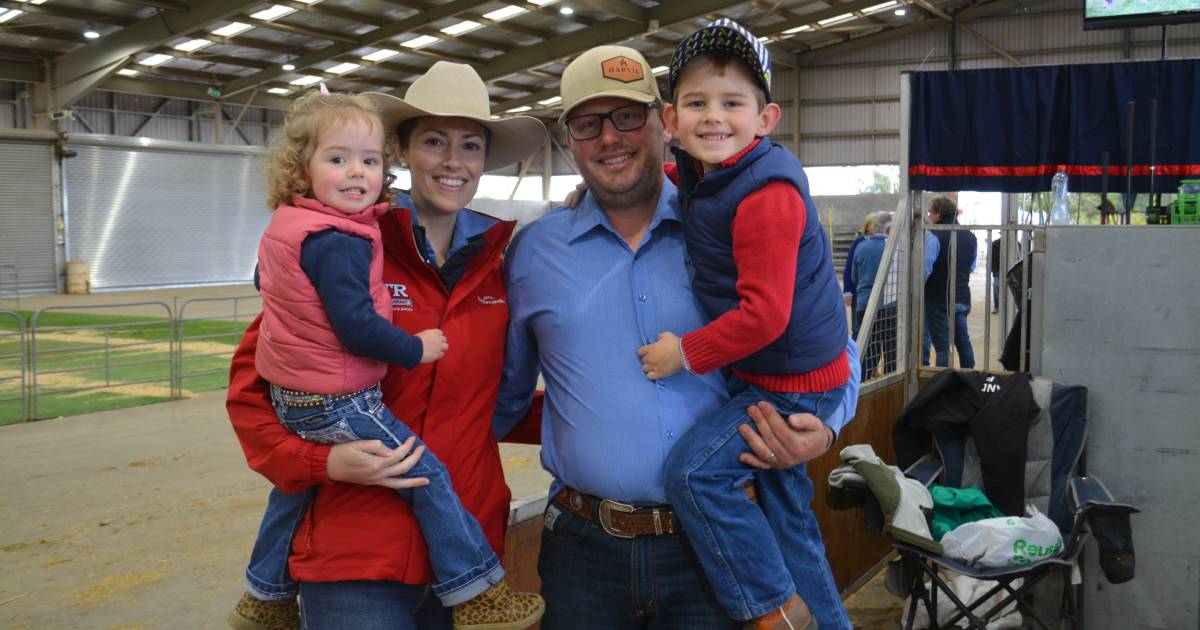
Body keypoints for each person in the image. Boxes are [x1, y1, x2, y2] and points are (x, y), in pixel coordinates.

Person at [494, 42, 860, 630]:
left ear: (660, 123)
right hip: (584, 550)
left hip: (713, 547)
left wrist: (824, 430)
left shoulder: (734, 217)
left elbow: (835, 345)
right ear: (569, 140)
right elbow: (506, 393)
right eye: (589, 124)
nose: (610, 137)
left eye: (627, 116)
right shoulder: (535, 251)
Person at [225, 61, 546, 630]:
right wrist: (320, 460)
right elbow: (258, 394)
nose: (453, 161)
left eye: (470, 145)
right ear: (400, 152)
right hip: (354, 552)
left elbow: (500, 400)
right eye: (433, 141)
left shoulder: (502, 268)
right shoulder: (341, 251)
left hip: (466, 546)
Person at [631, 18, 853, 629]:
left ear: (765, 119)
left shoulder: (766, 196)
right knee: (789, 519)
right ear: (671, 120)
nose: (714, 117)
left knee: (695, 475)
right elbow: (687, 181)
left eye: (733, 103)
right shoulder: (708, 175)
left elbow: (765, 314)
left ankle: (770, 610)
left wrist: (687, 353)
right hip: (784, 376)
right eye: (697, 103)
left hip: (792, 383)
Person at [922, 196, 977, 368]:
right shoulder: (971, 237)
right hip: (961, 297)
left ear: (938, 214)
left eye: (931, 212)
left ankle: (941, 384)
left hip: (938, 300)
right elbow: (971, 267)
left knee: (942, 347)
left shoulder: (934, 237)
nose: (929, 216)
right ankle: (970, 379)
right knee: (963, 342)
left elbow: (925, 269)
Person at [851, 212, 897, 378]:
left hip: (864, 305)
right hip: (888, 305)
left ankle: (861, 387)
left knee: (869, 348)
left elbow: (854, 277)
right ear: (887, 228)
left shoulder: (860, 246)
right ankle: (892, 384)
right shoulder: (893, 247)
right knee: (891, 349)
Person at [843, 213, 876, 335]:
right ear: (867, 227)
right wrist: (847, 291)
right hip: (858, 292)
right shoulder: (859, 242)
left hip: (874, 292)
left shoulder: (885, 240)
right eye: (874, 224)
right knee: (858, 329)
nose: (876, 227)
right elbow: (849, 267)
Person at [990, 236, 1001, 313]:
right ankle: (997, 306)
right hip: (998, 270)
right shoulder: (995, 244)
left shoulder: (1017, 245)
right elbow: (991, 257)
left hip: (1011, 269)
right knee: (996, 286)